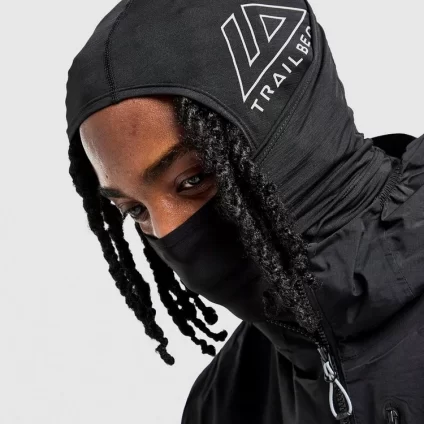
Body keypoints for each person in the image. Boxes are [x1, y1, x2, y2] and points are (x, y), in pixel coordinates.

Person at [65, 0, 424, 423]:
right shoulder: (222, 406)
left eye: (194, 179)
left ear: (296, 139)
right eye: (135, 209)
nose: (167, 230)